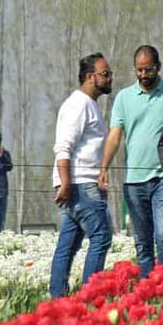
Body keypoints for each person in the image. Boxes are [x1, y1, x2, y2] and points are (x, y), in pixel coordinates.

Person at [99, 45, 163, 278]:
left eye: (148, 69)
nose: (143, 75)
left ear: (158, 67)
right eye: (138, 70)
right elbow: (115, 135)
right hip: (134, 180)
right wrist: (104, 167)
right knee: (142, 241)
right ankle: (147, 286)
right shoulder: (123, 98)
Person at [49, 53, 114, 298]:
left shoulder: (89, 104)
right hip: (79, 184)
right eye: (104, 74)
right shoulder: (79, 105)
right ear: (89, 77)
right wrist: (66, 183)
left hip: (82, 183)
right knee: (101, 237)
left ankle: (58, 297)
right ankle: (90, 298)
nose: (109, 78)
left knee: (68, 243)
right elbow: (63, 147)